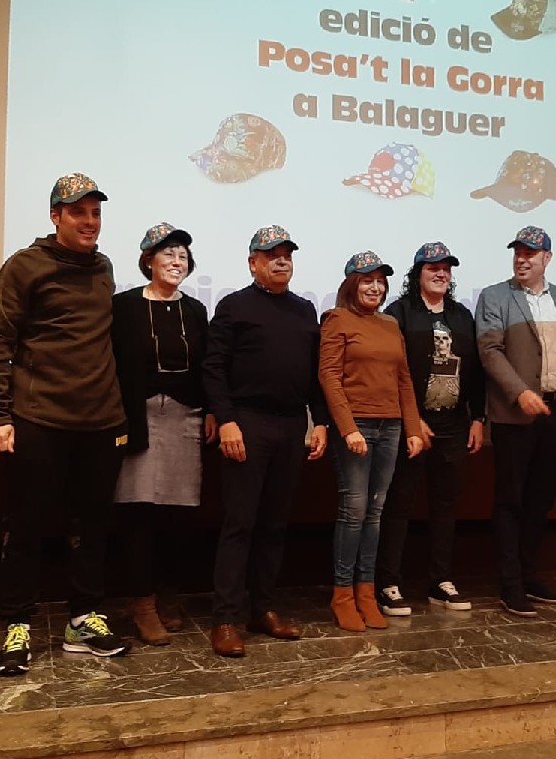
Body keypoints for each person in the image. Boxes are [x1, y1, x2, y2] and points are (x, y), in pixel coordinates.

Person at [0, 172, 129, 677]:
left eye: (96, 213)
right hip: (39, 417)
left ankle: (83, 619)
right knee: (25, 525)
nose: (90, 222)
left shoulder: (104, 267)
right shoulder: (25, 266)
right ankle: (17, 624)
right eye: (79, 212)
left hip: (101, 420)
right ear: (55, 216)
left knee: (93, 526)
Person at [203, 225, 330, 656]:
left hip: (292, 425)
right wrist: (226, 421)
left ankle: (263, 609)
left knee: (275, 524)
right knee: (240, 524)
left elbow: (314, 374)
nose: (281, 261)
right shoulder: (234, 305)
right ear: (252, 262)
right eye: (271, 254)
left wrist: (320, 422)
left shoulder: (305, 310)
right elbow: (214, 368)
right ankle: (225, 618)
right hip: (247, 424)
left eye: (286, 254)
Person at [111, 223, 215, 645]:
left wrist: (212, 411)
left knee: (178, 515)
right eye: (168, 254)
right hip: (140, 418)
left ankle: (168, 595)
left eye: (183, 256)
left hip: (186, 418)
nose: (176, 261)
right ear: (148, 261)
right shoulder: (124, 306)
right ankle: (143, 603)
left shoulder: (196, 310)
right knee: (140, 513)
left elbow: (208, 367)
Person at [375, 242, 486, 615]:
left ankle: (441, 581)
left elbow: (476, 372)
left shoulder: (461, 315)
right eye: (432, 267)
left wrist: (478, 418)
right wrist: (411, 420)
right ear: (417, 273)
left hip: (453, 424)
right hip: (411, 425)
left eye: (446, 268)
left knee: (445, 505)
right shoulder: (399, 313)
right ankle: (388, 583)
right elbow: (390, 371)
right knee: (399, 503)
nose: (441, 273)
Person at [475, 226, 556, 618]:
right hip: (513, 414)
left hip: (553, 413)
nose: (522, 259)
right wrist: (519, 392)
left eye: (530, 253)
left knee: (541, 499)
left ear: (547, 258)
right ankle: (511, 585)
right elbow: (490, 350)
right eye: (517, 252)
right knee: (511, 500)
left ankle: (530, 576)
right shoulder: (495, 296)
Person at [320, 251, 424, 631]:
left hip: (391, 426)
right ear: (352, 284)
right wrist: (348, 429)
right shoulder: (336, 319)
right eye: (367, 280)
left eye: (380, 281)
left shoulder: (390, 324)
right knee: (354, 510)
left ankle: (366, 592)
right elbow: (329, 376)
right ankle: (342, 595)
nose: (375, 287)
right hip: (356, 426)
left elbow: (404, 379)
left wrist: (413, 429)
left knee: (375, 512)